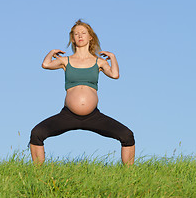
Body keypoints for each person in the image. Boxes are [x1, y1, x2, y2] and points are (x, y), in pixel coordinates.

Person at [29, 19, 135, 165]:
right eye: (76, 33)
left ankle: (129, 176)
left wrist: (113, 57)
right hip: (68, 115)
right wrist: (52, 52)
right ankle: (37, 173)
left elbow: (115, 74)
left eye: (83, 33)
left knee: (127, 135)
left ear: (90, 37)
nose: (80, 36)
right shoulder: (65, 61)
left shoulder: (99, 62)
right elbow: (45, 64)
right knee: (37, 133)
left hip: (93, 117)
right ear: (72, 38)